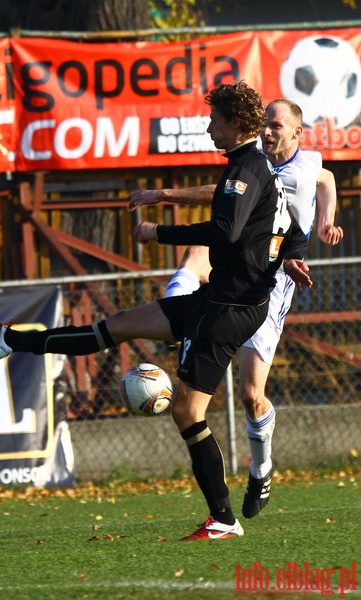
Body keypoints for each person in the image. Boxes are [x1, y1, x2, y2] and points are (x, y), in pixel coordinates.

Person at [0, 82, 313, 541]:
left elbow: (227, 230)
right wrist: (288, 254)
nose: (209, 126)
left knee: (188, 414)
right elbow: (281, 220)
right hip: (217, 302)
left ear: (234, 124)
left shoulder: (247, 168)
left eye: (215, 120)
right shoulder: (251, 167)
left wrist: (160, 234)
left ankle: (223, 519)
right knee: (116, 326)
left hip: (227, 311)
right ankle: (9, 341)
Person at [127, 98, 344, 518]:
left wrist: (325, 220)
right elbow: (219, 195)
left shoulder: (305, 164)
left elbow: (327, 179)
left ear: (297, 133)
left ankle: (260, 469)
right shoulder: (254, 161)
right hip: (238, 261)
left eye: (276, 125)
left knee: (249, 394)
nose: (267, 130)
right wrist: (164, 194)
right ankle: (183, 330)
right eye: (264, 123)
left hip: (272, 280)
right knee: (196, 255)